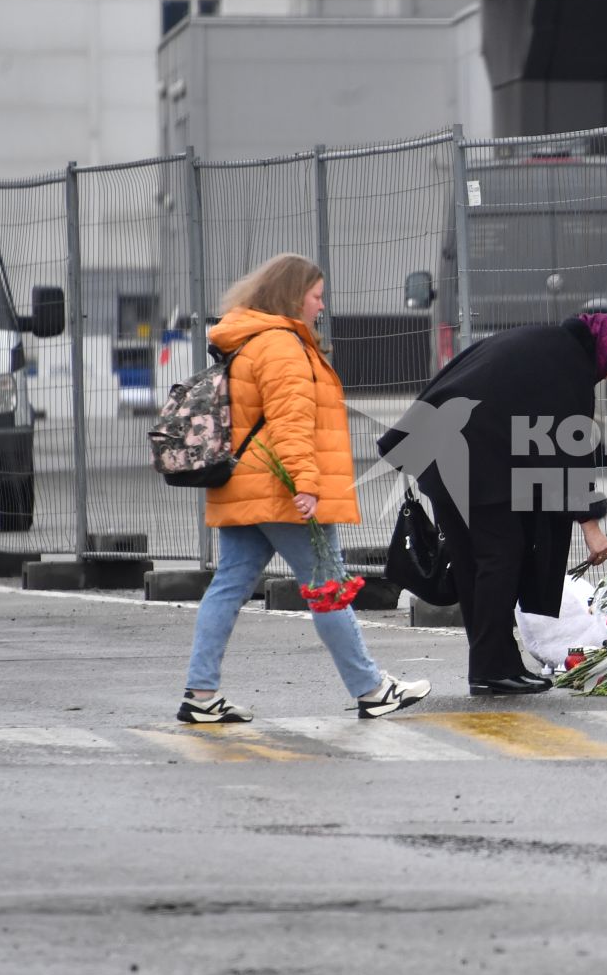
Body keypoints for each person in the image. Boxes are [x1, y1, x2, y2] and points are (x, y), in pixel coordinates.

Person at [179, 254, 430, 724]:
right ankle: (372, 688)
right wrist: (306, 484)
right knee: (328, 587)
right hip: (282, 488)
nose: (321, 306)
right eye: (316, 296)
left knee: (229, 586)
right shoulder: (281, 345)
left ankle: (200, 693)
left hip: (247, 483)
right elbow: (290, 424)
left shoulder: (253, 339)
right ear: (293, 296)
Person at [378, 314, 607, 696]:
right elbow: (569, 457)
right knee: (500, 556)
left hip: (444, 454)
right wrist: (592, 529)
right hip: (468, 462)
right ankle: (493, 669)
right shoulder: (569, 369)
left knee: (476, 563)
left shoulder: (541, 340)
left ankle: (492, 667)